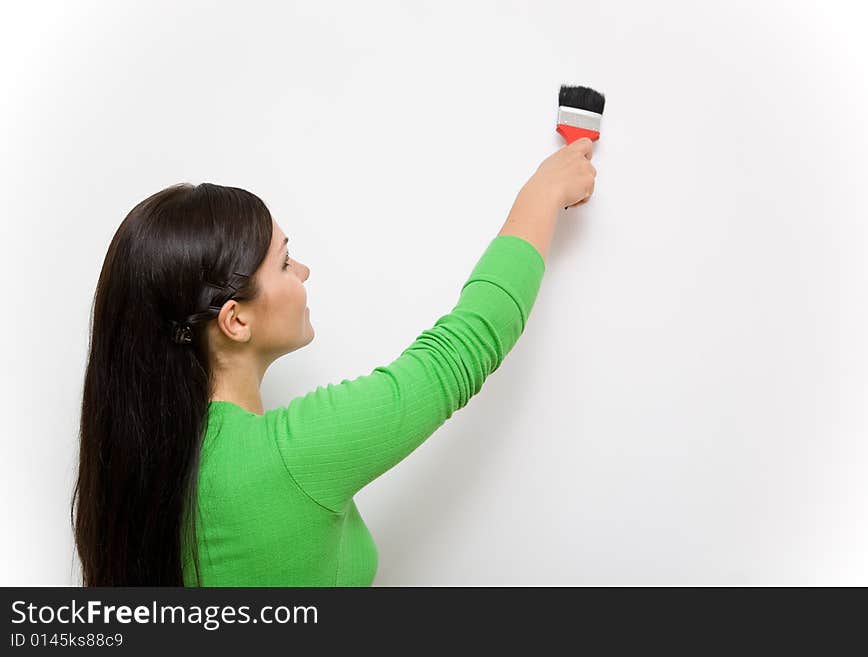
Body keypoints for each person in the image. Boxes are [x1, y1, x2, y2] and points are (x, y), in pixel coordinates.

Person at [71, 137, 597, 586]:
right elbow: (462, 347)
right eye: (282, 262)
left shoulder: (140, 469)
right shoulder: (289, 457)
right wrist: (543, 193)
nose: (303, 270)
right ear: (235, 320)